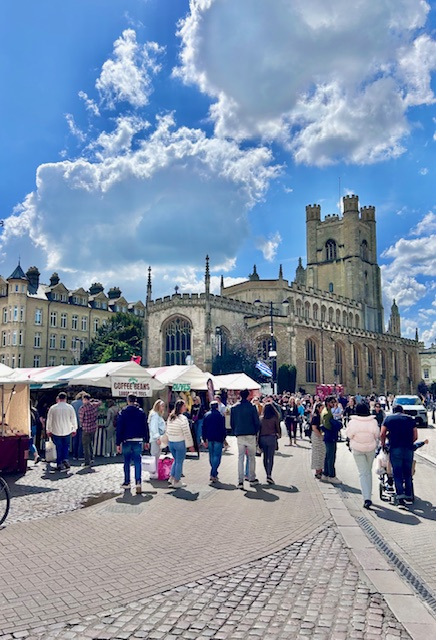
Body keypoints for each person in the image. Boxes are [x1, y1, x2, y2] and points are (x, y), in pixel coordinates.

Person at [380, 405, 417, 506]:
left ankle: (400, 496)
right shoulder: (410, 419)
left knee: (397, 472)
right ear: (403, 411)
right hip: (408, 448)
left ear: (393, 411)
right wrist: (410, 442)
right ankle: (408, 496)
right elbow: (415, 435)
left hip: (395, 447)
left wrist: (383, 444)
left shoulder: (388, 418)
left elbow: (382, 433)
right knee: (407, 472)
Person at [345, 403, 380, 509]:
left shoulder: (353, 422)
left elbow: (349, 434)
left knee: (362, 473)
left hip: (358, 448)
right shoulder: (373, 421)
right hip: (370, 448)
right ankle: (368, 495)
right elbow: (376, 434)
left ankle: (367, 498)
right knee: (368, 472)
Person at [116, 394, 149, 493]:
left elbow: (119, 428)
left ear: (128, 401)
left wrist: (118, 443)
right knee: (137, 461)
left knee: (126, 461)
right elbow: (145, 427)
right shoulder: (141, 412)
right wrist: (146, 440)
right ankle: (138, 482)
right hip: (138, 439)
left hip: (126, 440)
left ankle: (127, 482)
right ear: (135, 401)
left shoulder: (123, 412)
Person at [230, 388, 261, 489]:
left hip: (240, 434)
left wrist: (235, 432)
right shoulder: (252, 407)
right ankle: (251, 478)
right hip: (250, 433)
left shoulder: (234, 408)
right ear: (248, 396)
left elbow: (232, 423)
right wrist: (256, 432)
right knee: (252, 458)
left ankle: (240, 481)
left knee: (240, 458)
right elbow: (256, 421)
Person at [45, 392, 77, 472]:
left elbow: (49, 420)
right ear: (66, 399)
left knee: (58, 447)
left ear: (58, 398)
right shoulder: (70, 407)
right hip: (67, 430)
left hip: (56, 430)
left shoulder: (53, 408)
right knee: (66, 446)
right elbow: (73, 419)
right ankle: (65, 459)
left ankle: (59, 463)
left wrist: (48, 430)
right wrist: (74, 429)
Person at [166, 399, 195, 488]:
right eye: (184, 406)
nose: (185, 407)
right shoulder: (183, 418)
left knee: (176, 460)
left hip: (171, 442)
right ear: (181, 407)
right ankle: (177, 480)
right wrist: (190, 445)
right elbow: (186, 432)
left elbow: (167, 430)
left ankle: (172, 477)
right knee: (179, 461)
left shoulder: (170, 417)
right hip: (180, 442)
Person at [202, 401, 227, 482]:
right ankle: (213, 473)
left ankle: (214, 472)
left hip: (209, 437)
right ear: (217, 407)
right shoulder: (220, 416)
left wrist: (204, 438)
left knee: (211, 455)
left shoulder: (206, 415)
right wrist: (224, 438)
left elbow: (204, 427)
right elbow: (223, 428)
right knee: (217, 456)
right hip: (218, 438)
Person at [258, 402, 281, 484]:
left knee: (265, 457)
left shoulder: (261, 418)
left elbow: (259, 430)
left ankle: (266, 472)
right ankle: (269, 475)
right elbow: (278, 428)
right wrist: (279, 435)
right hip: (272, 437)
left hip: (263, 438)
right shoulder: (275, 418)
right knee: (271, 457)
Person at [320, 395, 341, 484]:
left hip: (327, 436)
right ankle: (331, 475)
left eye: (334, 402)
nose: (334, 404)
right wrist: (335, 426)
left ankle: (325, 474)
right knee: (331, 456)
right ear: (328, 403)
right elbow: (327, 426)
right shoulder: (328, 413)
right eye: (332, 402)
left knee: (328, 456)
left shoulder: (326, 411)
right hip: (330, 436)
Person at [79, 393, 102, 468]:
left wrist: (81, 425)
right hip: (93, 427)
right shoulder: (94, 405)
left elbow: (81, 420)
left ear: (85, 400)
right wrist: (93, 400)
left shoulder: (82, 408)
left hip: (86, 428)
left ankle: (87, 461)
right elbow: (100, 402)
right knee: (90, 444)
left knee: (85, 445)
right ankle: (92, 458)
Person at [148, 399, 166, 478]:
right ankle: (153, 472)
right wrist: (157, 437)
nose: (163, 408)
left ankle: (155, 471)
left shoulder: (158, 415)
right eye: (162, 406)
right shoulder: (155, 415)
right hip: (156, 438)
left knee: (157, 455)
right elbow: (154, 428)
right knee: (154, 455)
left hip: (159, 437)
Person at [310, 403, 326, 480]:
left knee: (322, 453)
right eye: (322, 408)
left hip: (320, 436)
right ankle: (317, 471)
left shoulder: (321, 416)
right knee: (317, 453)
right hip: (317, 436)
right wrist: (320, 436)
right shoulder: (315, 416)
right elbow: (314, 428)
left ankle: (320, 469)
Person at [71, 391, 85, 460]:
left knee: (74, 440)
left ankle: (74, 455)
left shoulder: (73, 403)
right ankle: (80, 455)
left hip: (74, 423)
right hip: (82, 423)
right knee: (81, 440)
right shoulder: (83, 403)